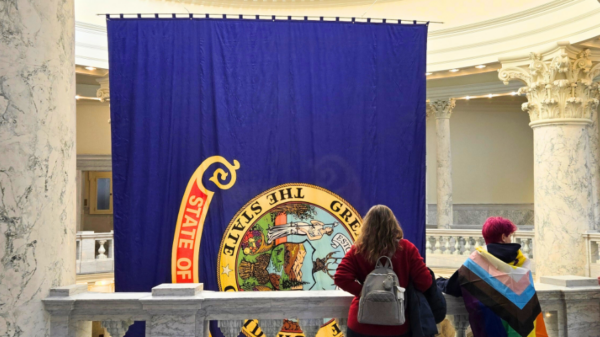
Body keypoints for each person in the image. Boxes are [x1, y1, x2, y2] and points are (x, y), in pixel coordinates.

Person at [437, 217, 548, 337]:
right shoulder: (521, 264)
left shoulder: (476, 262)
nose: (510, 239)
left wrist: (438, 281)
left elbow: (452, 287)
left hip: (491, 328)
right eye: (509, 235)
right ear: (503, 237)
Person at [334, 205, 432, 337]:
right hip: (396, 326)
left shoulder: (358, 250)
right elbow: (425, 282)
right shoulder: (407, 249)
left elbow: (340, 277)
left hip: (361, 325)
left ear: (367, 226)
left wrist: (365, 291)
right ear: (393, 224)